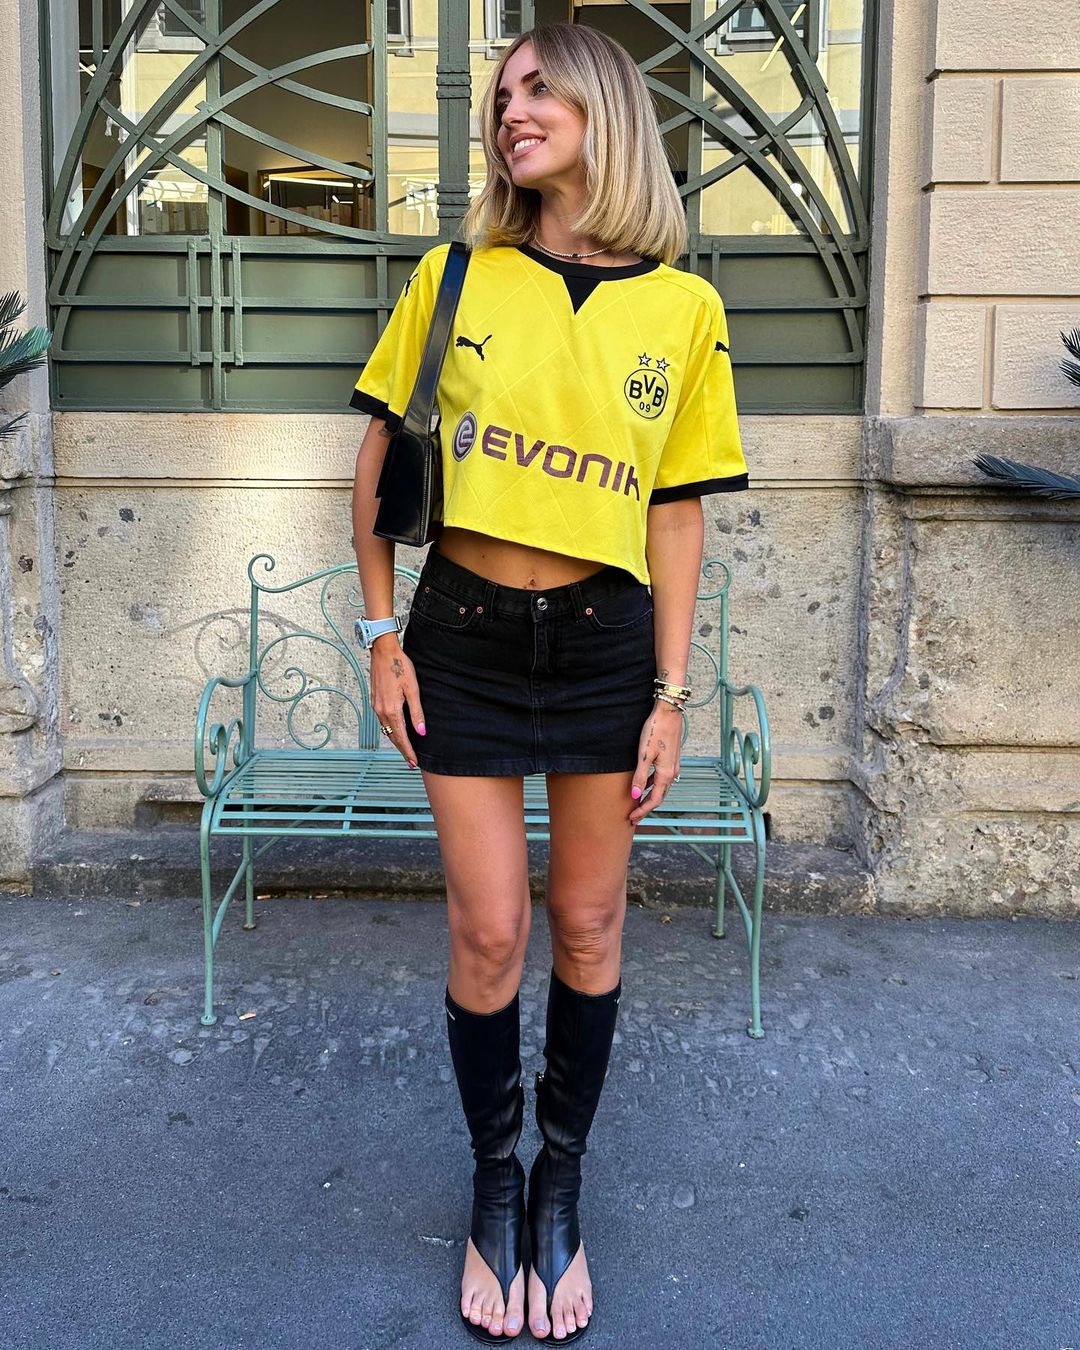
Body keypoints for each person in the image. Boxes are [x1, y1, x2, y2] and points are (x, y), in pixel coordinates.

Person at [349, 22, 748, 1344]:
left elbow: (677, 512)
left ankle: (557, 1183)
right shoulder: (455, 274)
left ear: (605, 110)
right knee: (489, 930)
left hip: (603, 647)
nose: (509, 110)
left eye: (538, 89)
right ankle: (492, 1183)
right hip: (460, 633)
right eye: (502, 95)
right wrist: (381, 633)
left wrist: (672, 693)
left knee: (586, 924)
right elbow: (379, 462)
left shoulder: (683, 309)